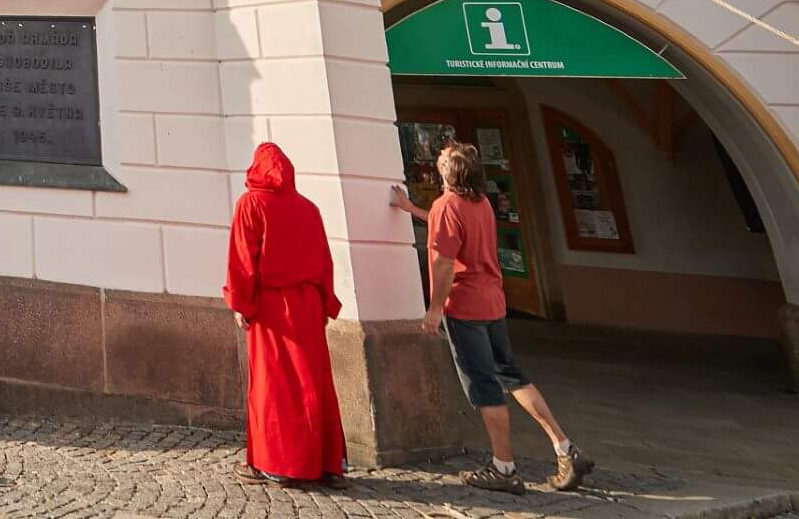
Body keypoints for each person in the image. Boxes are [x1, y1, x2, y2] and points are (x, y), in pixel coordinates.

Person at [393, 142, 593, 493]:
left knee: (485, 387)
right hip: (494, 303)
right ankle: (564, 446)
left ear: (446, 173)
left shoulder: (446, 206)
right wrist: (412, 209)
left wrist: (434, 308)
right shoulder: (479, 202)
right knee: (511, 375)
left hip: (466, 307)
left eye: (441, 162)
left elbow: (442, 262)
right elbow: (452, 227)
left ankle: (503, 467)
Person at [223, 143, 345, 486]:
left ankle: (276, 463)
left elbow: (243, 259)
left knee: (272, 384)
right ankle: (326, 464)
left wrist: (240, 304)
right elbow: (324, 261)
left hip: (271, 306)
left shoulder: (250, 204)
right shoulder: (309, 208)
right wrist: (325, 303)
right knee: (314, 383)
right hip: (307, 303)